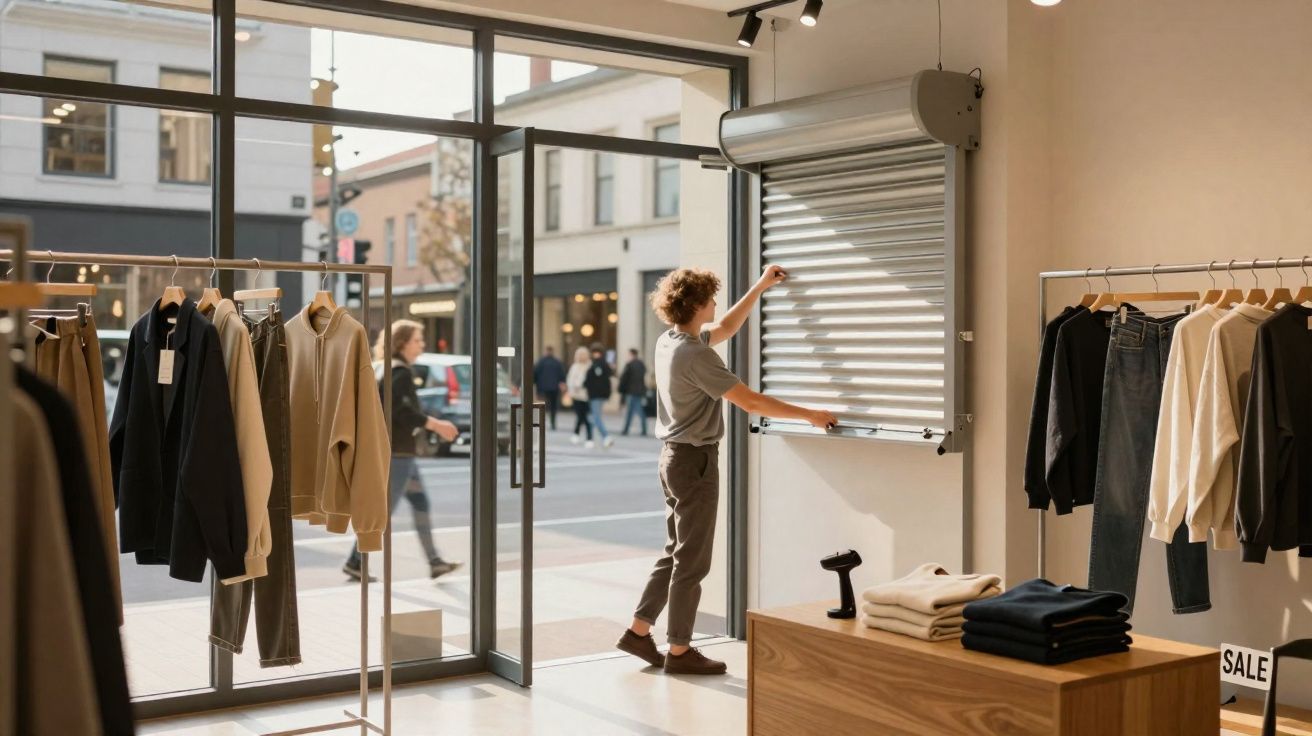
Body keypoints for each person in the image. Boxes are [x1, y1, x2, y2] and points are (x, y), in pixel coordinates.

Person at [616, 265, 836, 675]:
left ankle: (638, 631)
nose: (715, 304)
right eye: (711, 298)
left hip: (673, 459)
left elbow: (726, 326)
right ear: (697, 303)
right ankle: (679, 651)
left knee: (675, 553)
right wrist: (810, 414)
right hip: (695, 463)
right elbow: (750, 401)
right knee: (692, 562)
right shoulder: (695, 354)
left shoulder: (671, 341)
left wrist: (761, 285)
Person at [343, 320, 462, 582]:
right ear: (402, 343)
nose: (422, 345)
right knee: (382, 511)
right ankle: (355, 560)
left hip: (395, 452)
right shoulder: (400, 373)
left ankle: (434, 561)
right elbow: (403, 411)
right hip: (398, 454)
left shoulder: (382, 368)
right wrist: (436, 424)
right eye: (418, 340)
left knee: (420, 503)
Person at [584, 342, 615, 449]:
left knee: (596, 417)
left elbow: (590, 380)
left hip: (595, 395)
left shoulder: (596, 364)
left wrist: (586, 384)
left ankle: (606, 436)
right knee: (592, 417)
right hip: (601, 394)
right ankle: (590, 439)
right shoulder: (605, 364)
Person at [566, 347, 594, 448]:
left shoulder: (590, 365)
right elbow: (570, 379)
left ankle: (588, 437)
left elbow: (590, 380)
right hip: (576, 395)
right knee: (580, 415)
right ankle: (578, 434)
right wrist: (571, 390)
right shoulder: (575, 366)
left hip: (586, 395)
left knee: (585, 417)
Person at [532, 346, 566, 430]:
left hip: (542, 388)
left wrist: (534, 384)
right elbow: (562, 375)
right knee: (553, 406)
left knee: (543, 406)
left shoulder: (541, 362)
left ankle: (543, 422)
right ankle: (553, 423)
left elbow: (535, 374)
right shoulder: (557, 362)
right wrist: (562, 383)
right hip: (554, 388)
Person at [618, 348, 648, 436]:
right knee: (639, 410)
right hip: (639, 391)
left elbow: (624, 378)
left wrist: (621, 389)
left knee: (630, 412)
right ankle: (644, 429)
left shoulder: (630, 365)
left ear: (631, 354)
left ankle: (626, 429)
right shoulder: (641, 364)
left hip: (631, 391)